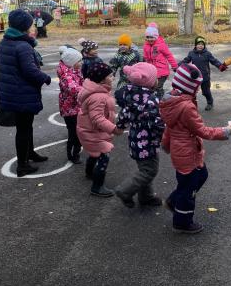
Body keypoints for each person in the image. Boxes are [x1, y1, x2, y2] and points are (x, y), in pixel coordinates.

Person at [159, 64, 231, 234]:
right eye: (197, 87)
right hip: (188, 153)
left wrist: (166, 144)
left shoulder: (172, 100)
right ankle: (182, 222)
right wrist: (226, 131)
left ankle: (174, 201)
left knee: (201, 175)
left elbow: (170, 127)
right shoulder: (186, 107)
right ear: (190, 87)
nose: (199, 90)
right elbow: (203, 131)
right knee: (189, 190)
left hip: (180, 151)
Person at [0, 9, 51, 177]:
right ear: (24, 27)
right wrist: (45, 78)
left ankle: (30, 153)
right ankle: (22, 165)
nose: (33, 27)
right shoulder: (23, 46)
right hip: (21, 93)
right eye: (31, 24)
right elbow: (30, 71)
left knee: (26, 126)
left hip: (12, 91)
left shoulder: (5, 42)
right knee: (23, 129)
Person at [115, 62, 166, 208]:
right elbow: (156, 122)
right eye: (155, 78)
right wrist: (164, 135)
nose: (158, 80)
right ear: (149, 82)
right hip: (148, 141)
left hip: (134, 140)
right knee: (149, 171)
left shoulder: (129, 95)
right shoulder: (151, 100)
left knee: (145, 170)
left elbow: (123, 114)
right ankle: (125, 191)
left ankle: (146, 197)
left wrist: (120, 126)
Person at [76, 62, 124, 197]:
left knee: (95, 153)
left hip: (90, 130)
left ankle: (89, 173)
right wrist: (114, 129)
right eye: (110, 76)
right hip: (92, 132)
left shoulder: (97, 90)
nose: (113, 77)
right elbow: (97, 119)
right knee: (104, 155)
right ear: (102, 79)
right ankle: (97, 187)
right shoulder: (98, 96)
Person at [182, 36, 224, 111]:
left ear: (204, 45)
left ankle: (210, 103)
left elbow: (214, 61)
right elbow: (186, 60)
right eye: (198, 44)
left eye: (202, 44)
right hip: (195, 76)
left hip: (205, 76)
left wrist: (220, 66)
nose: (200, 46)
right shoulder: (191, 53)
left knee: (206, 91)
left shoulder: (207, 54)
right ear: (195, 45)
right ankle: (193, 104)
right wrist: (178, 66)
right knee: (192, 92)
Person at [57, 46, 84, 164]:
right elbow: (74, 89)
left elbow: (81, 83)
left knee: (76, 131)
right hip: (70, 108)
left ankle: (74, 152)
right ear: (72, 63)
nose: (81, 63)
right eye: (79, 61)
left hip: (75, 107)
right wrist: (87, 91)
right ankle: (72, 154)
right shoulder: (67, 76)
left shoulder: (75, 71)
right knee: (74, 133)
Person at [143, 22, 178, 99]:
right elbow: (145, 58)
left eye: (151, 37)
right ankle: (157, 99)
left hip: (162, 71)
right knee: (151, 87)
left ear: (156, 36)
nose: (149, 39)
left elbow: (168, 55)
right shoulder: (146, 46)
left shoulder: (161, 45)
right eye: (147, 37)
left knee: (158, 86)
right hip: (152, 71)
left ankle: (160, 100)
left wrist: (174, 66)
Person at [110, 33, 141, 104]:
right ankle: (123, 105)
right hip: (123, 79)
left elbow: (142, 65)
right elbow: (113, 66)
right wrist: (112, 75)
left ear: (129, 45)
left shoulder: (135, 54)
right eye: (120, 45)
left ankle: (134, 105)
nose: (122, 46)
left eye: (125, 45)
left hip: (135, 79)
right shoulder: (117, 55)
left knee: (135, 94)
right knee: (119, 93)